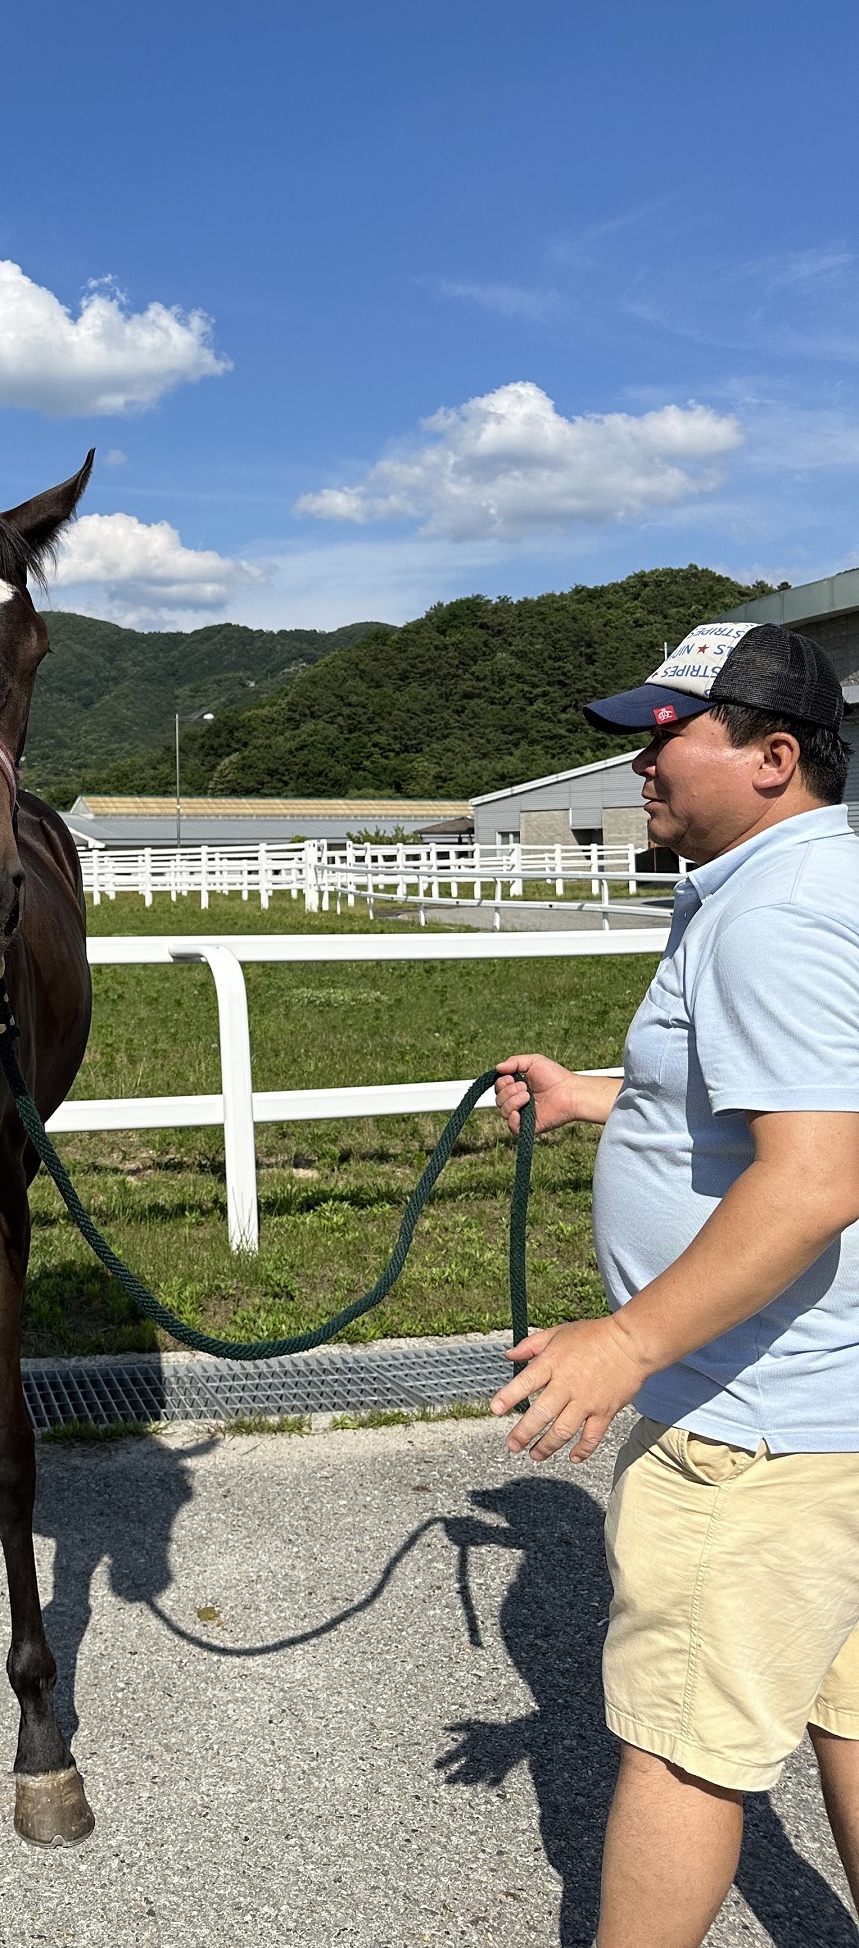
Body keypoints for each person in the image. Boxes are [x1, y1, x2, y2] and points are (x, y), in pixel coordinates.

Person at [492, 618, 859, 1948]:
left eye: (670, 732)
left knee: (686, 1749)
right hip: (829, 1412)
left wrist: (630, 1339)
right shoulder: (794, 884)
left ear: (774, 754)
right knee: (848, 1707)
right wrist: (602, 1095)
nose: (642, 760)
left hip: (754, 1427)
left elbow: (817, 1176)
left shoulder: (780, 909)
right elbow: (759, 1097)